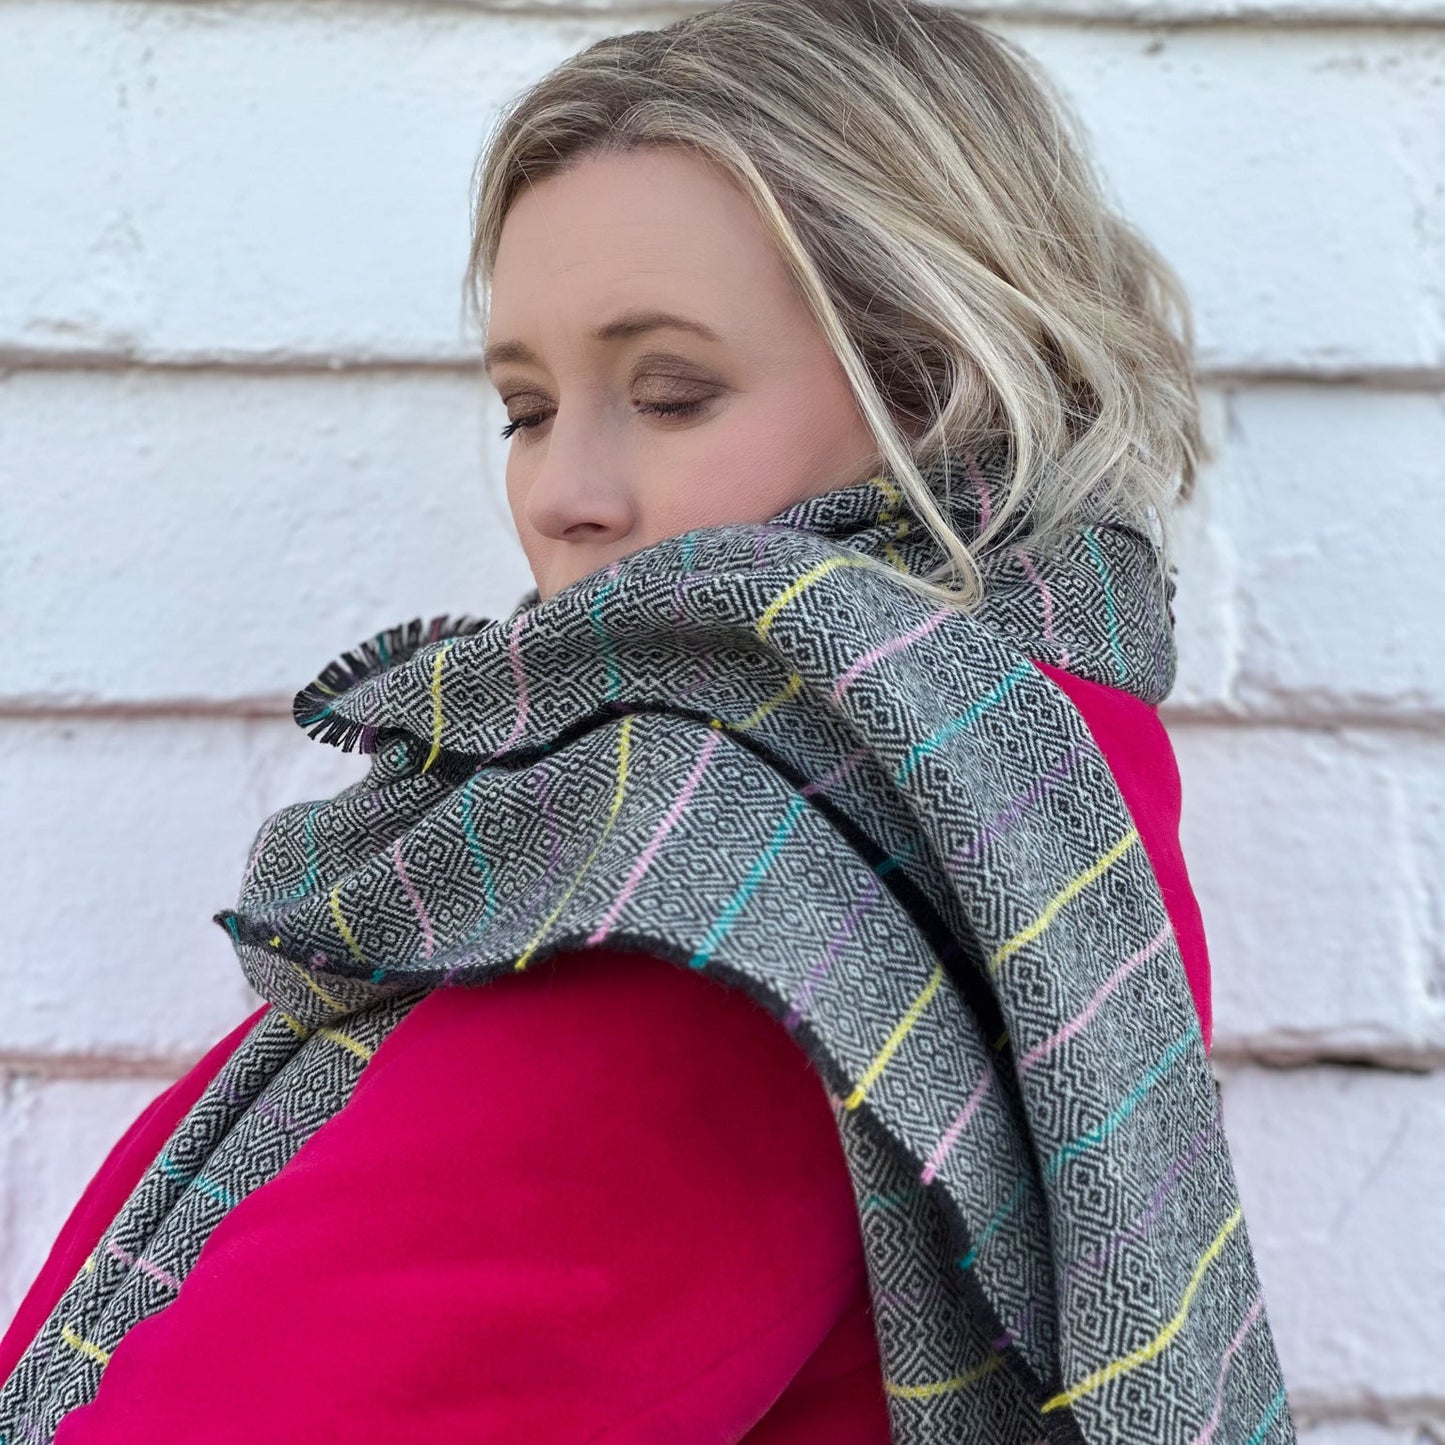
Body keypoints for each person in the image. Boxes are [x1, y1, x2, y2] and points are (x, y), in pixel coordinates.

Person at [0, 0, 1293, 1440]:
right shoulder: (1021, 792)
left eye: (669, 393)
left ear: (941, 388)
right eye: (524, 409)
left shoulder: (732, 882)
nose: (561, 492)